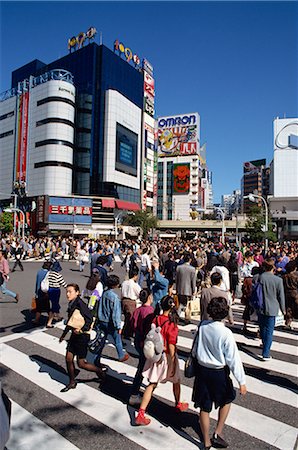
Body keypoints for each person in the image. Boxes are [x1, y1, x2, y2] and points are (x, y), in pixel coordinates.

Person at [192, 297, 247, 450]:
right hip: (219, 372)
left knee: (204, 406)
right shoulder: (225, 332)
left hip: (202, 371)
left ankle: (206, 442)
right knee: (226, 399)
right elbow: (233, 358)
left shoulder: (202, 326)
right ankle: (218, 431)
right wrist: (241, 381)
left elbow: (195, 349)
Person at [135, 295, 188, 426]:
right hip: (166, 357)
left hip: (155, 355)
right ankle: (177, 404)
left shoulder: (156, 318)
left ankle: (141, 412)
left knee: (152, 383)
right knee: (176, 380)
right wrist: (173, 360)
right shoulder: (171, 324)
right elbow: (171, 344)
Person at [59, 283, 106, 392]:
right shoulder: (72, 303)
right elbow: (71, 321)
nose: (67, 294)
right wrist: (63, 335)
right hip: (74, 336)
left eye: (70, 291)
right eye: (67, 291)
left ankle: (100, 371)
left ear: (77, 292)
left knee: (81, 364)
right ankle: (72, 382)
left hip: (82, 337)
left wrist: (82, 329)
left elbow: (89, 319)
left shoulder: (80, 304)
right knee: (68, 359)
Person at [94, 275, 129, 365]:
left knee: (101, 340)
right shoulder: (114, 297)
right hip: (110, 322)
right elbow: (115, 314)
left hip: (102, 319)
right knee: (117, 339)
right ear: (115, 285)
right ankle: (121, 355)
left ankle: (96, 358)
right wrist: (118, 326)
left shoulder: (104, 293)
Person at [129, 289, 154, 406]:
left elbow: (133, 324)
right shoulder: (150, 311)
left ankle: (148, 383)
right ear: (149, 297)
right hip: (146, 340)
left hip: (138, 338)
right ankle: (134, 392)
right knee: (143, 366)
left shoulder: (138, 310)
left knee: (143, 363)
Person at [257, 259, 286, 360]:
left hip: (260, 306)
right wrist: (283, 309)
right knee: (269, 331)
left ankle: (265, 344)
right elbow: (281, 296)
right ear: (273, 267)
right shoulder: (278, 280)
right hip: (273, 307)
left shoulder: (260, 278)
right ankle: (266, 352)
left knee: (262, 328)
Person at [175, 253, 196, 324]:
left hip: (180, 288)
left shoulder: (179, 267)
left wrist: (177, 288)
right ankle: (186, 318)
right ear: (190, 260)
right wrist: (193, 290)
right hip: (188, 289)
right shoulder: (192, 269)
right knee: (187, 305)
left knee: (181, 303)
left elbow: (177, 279)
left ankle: (177, 316)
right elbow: (193, 281)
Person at [121, 267, 141, 339]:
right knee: (130, 318)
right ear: (135, 276)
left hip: (124, 300)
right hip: (131, 302)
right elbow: (139, 293)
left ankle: (126, 333)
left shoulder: (124, 282)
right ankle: (126, 333)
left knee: (127, 317)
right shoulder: (134, 285)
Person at [46, 261, 67, 328]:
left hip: (50, 289)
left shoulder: (49, 273)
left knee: (54, 303)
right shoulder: (58, 275)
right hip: (56, 290)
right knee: (55, 304)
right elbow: (63, 284)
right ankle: (49, 323)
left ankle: (58, 316)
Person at [283, 261, 298, 329]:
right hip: (295, 293)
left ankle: (288, 322)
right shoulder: (296, 275)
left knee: (288, 308)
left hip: (287, 293)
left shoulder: (284, 276)